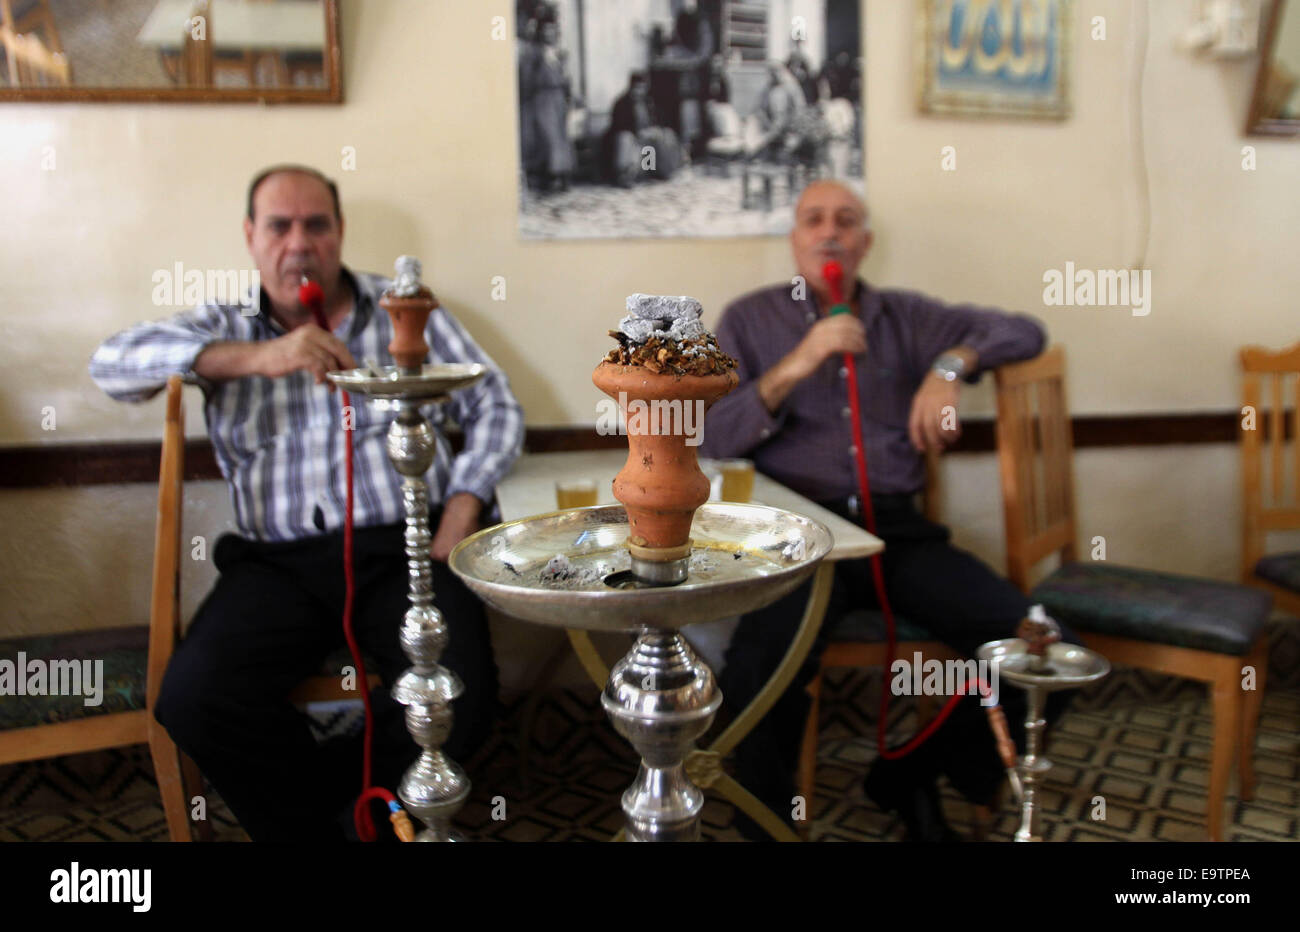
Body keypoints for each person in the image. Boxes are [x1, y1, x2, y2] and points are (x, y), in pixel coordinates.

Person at [88, 165, 525, 841]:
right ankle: (347, 826)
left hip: (404, 545)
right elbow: (111, 365)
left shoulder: (403, 308)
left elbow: (495, 402)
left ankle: (341, 820)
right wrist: (250, 359)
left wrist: (464, 505)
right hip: (277, 563)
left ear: (340, 233)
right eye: (279, 225)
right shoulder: (224, 322)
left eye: (316, 224)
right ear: (250, 236)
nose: (299, 242)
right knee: (195, 699)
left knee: (461, 694)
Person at [700, 179, 1076, 841]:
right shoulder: (748, 318)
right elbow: (716, 436)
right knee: (760, 666)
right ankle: (767, 824)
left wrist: (954, 365)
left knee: (1046, 648)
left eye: (846, 220)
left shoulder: (907, 317)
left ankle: (908, 771)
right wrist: (799, 362)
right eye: (813, 219)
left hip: (899, 533)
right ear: (794, 239)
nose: (829, 232)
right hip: (798, 534)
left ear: (865, 242)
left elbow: (1025, 329)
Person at [519, 8, 575, 192]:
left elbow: (565, 77)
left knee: (560, 137)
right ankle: (547, 175)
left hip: (558, 97)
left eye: (552, 29)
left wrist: (568, 94)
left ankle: (562, 175)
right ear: (540, 31)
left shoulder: (559, 52)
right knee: (546, 136)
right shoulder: (533, 53)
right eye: (546, 29)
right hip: (542, 97)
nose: (549, 33)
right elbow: (526, 78)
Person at [603, 71, 682, 186]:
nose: (640, 91)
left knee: (666, 135)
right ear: (631, 87)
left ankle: (661, 170)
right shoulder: (622, 103)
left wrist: (654, 129)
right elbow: (620, 125)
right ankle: (625, 175)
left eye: (643, 88)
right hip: (629, 135)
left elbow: (657, 119)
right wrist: (638, 132)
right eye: (638, 88)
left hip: (646, 134)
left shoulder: (648, 102)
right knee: (626, 139)